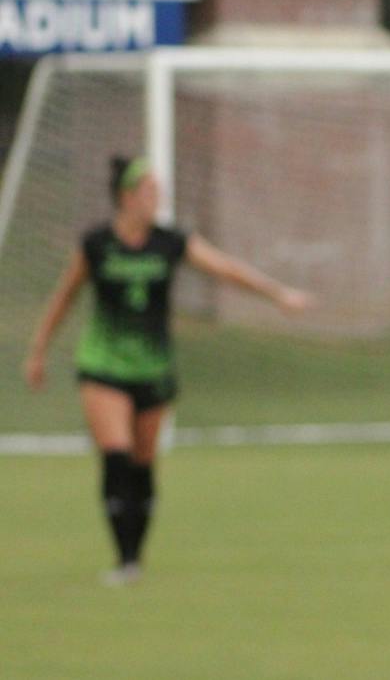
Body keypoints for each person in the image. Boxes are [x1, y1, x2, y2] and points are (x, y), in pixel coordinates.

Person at [20, 156, 312, 585]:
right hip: (102, 364)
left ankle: (135, 558)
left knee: (143, 465)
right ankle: (124, 561)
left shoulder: (170, 241)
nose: (156, 200)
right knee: (116, 456)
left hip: (153, 367)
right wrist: (38, 350)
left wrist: (277, 293)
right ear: (126, 196)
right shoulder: (96, 244)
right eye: (149, 192)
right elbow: (65, 296)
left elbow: (226, 269)